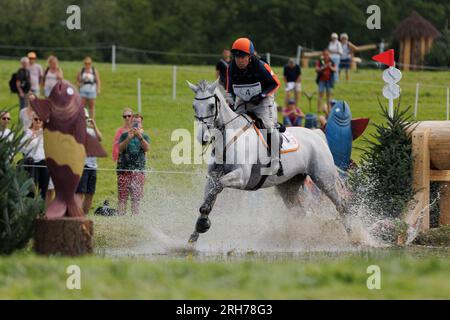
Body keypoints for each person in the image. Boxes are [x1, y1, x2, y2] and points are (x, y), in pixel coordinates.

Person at [226, 37, 282, 176]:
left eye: (243, 56)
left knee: (268, 126)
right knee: (230, 124)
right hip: (243, 100)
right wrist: (230, 101)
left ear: (250, 56)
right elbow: (229, 88)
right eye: (237, 56)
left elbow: (276, 83)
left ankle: (276, 161)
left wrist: (262, 96)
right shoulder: (231, 67)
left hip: (263, 100)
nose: (239, 60)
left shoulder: (261, 66)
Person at [117, 113, 150, 215]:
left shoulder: (144, 136)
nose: (136, 124)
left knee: (136, 198)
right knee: (122, 198)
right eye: (134, 122)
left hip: (138, 170)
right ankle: (121, 218)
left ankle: (135, 218)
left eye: (138, 122)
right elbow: (120, 149)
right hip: (124, 170)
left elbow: (147, 148)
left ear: (141, 124)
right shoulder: (124, 135)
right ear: (130, 123)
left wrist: (140, 137)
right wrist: (129, 138)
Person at [76, 109, 103, 215]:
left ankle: (85, 217)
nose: (85, 120)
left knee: (90, 193)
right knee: (80, 193)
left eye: (86, 118)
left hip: (92, 166)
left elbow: (100, 138)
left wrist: (94, 126)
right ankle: (77, 216)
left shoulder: (91, 131)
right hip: (81, 166)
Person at [21, 113, 49, 200]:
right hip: (31, 163)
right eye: (36, 119)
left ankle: (40, 211)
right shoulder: (27, 132)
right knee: (30, 190)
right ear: (32, 120)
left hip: (43, 163)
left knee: (43, 190)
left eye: (40, 120)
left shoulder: (46, 133)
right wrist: (33, 137)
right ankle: (30, 211)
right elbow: (23, 149)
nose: (38, 121)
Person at [315, 49, 336, 115]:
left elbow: (335, 70)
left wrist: (330, 66)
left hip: (329, 80)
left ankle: (329, 109)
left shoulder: (332, 61)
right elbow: (316, 69)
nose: (326, 56)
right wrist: (324, 67)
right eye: (325, 54)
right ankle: (318, 109)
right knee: (320, 94)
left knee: (329, 95)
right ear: (323, 55)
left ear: (329, 55)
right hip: (321, 80)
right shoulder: (320, 61)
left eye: (327, 54)